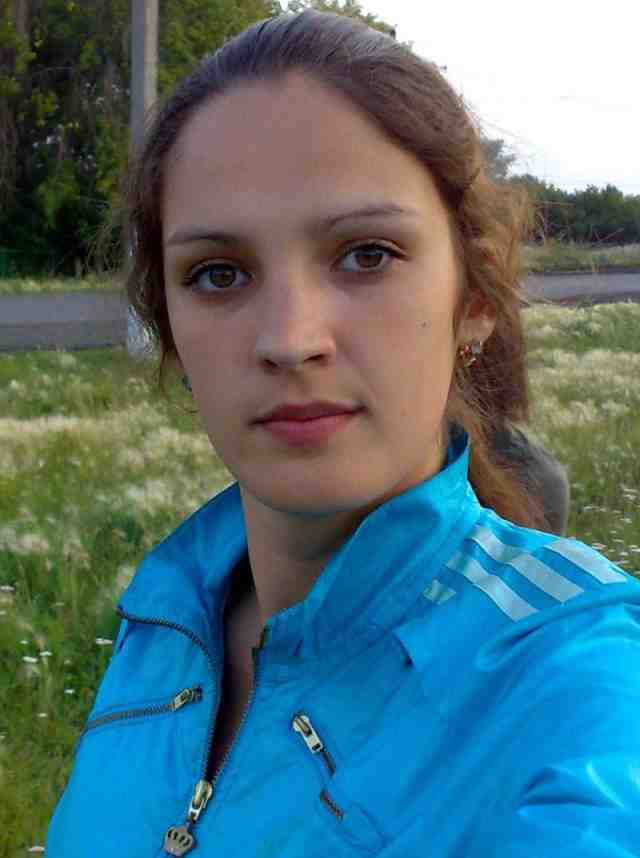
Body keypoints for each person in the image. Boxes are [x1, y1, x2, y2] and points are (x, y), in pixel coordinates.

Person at [46, 10, 639, 857]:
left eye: (366, 255)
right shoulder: (164, 619)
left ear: (474, 297)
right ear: (171, 328)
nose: (290, 339)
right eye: (219, 273)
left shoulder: (578, 680)